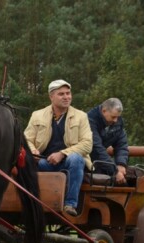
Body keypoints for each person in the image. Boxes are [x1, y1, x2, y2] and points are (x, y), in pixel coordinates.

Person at [24, 79, 93, 216]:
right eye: (61, 94)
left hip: (70, 163)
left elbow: (87, 144)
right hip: (45, 162)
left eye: (68, 93)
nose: (67, 97)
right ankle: (30, 202)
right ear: (51, 96)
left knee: (76, 159)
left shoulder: (81, 116)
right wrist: (33, 151)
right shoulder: (37, 115)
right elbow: (26, 139)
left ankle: (70, 204)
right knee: (25, 162)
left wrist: (62, 153)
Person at [87, 98, 129, 184]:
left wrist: (121, 164)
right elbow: (96, 148)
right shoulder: (89, 120)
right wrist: (115, 171)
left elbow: (122, 145)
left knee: (132, 176)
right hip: (86, 162)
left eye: (118, 117)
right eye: (113, 117)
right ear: (104, 111)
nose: (116, 120)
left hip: (101, 162)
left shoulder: (117, 122)